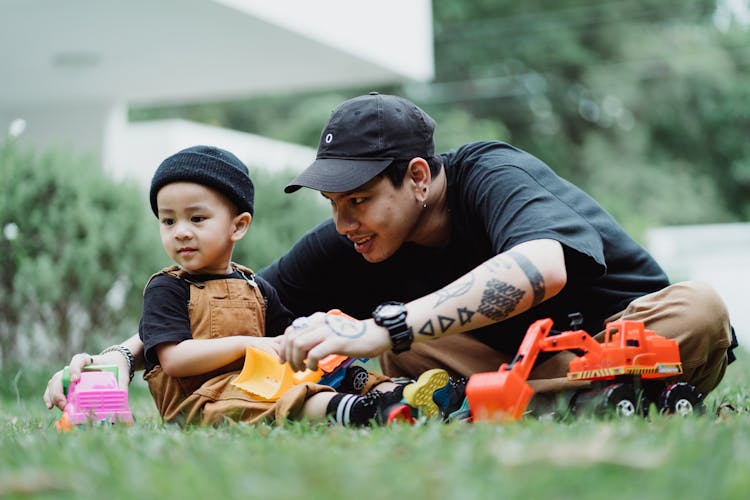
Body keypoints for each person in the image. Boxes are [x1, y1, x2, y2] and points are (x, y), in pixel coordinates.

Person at [45, 93, 736, 417]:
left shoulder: (490, 175)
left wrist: (387, 325)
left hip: (618, 336)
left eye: (357, 199)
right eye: (333, 203)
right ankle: (541, 406)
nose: (344, 220)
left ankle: (558, 400)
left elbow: (541, 267)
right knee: (398, 362)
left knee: (701, 307)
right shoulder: (356, 235)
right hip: (504, 366)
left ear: (415, 176)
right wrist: (123, 358)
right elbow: (241, 304)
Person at [49, 144, 417, 427]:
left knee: (332, 368)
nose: (181, 231)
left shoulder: (255, 287)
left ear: (238, 226)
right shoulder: (167, 288)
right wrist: (249, 344)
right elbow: (175, 360)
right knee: (278, 399)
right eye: (168, 221)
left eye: (196, 218)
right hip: (204, 398)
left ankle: (402, 394)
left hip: (259, 380)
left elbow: (285, 340)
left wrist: (320, 338)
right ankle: (353, 410)